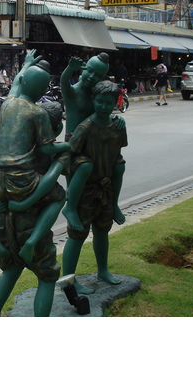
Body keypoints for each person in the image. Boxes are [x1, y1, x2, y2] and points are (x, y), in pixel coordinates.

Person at [0, 50, 71, 317]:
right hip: (21, 181)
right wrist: (71, 145)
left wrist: (26, 66)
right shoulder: (38, 114)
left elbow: (18, 84)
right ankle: (32, 238)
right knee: (58, 195)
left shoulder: (8, 104)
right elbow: (47, 150)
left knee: (11, 267)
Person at [61, 79, 128, 293]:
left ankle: (103, 270)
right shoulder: (86, 127)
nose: (103, 106)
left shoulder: (117, 126)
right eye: (99, 101)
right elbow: (70, 153)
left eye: (108, 103)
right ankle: (69, 279)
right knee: (78, 234)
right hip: (86, 190)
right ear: (93, 100)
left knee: (102, 230)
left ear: (115, 103)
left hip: (106, 188)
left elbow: (117, 155)